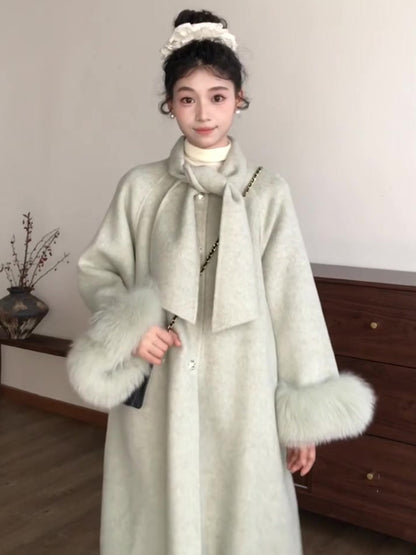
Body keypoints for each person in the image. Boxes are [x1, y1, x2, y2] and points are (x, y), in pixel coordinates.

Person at [67, 9, 375, 555]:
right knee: (156, 519)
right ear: (169, 104)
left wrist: (302, 416)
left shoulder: (267, 192)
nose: (203, 112)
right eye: (187, 98)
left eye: (217, 96)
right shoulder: (140, 189)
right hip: (161, 395)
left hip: (245, 393)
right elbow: (99, 268)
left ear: (239, 99)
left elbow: (293, 303)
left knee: (245, 521)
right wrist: (131, 328)